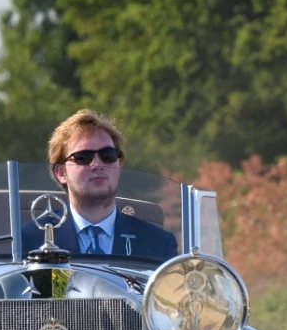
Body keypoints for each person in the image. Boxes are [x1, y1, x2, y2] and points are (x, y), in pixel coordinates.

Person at [20, 110, 178, 262]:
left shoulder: (158, 244)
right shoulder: (29, 240)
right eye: (83, 157)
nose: (97, 165)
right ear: (61, 172)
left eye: (108, 155)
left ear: (119, 164)